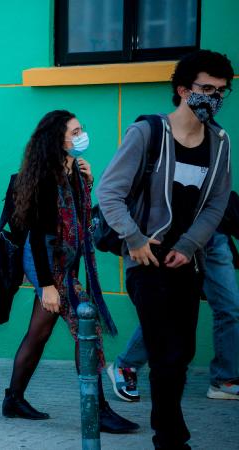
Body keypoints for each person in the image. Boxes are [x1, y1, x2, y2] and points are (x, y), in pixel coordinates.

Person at [97, 50, 233, 449]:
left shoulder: (220, 143)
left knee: (183, 351)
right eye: (206, 89)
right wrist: (135, 239)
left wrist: (190, 246)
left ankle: (170, 432)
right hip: (147, 258)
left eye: (222, 91)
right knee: (165, 353)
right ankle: (171, 438)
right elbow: (109, 192)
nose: (214, 98)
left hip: (187, 261)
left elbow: (217, 203)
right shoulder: (148, 133)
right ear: (183, 90)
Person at [1, 110, 138, 433]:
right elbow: (36, 235)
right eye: (75, 132)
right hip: (47, 263)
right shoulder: (46, 178)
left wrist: (86, 182)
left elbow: (79, 222)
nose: (81, 136)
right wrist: (47, 285)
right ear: (57, 139)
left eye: (81, 130)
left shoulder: (73, 171)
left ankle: (13, 399)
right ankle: (98, 409)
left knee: (40, 332)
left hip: (64, 261)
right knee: (87, 327)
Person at [109, 230, 239, 402]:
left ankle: (224, 379)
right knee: (165, 310)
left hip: (214, 235)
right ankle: (126, 365)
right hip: (177, 235)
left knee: (229, 308)